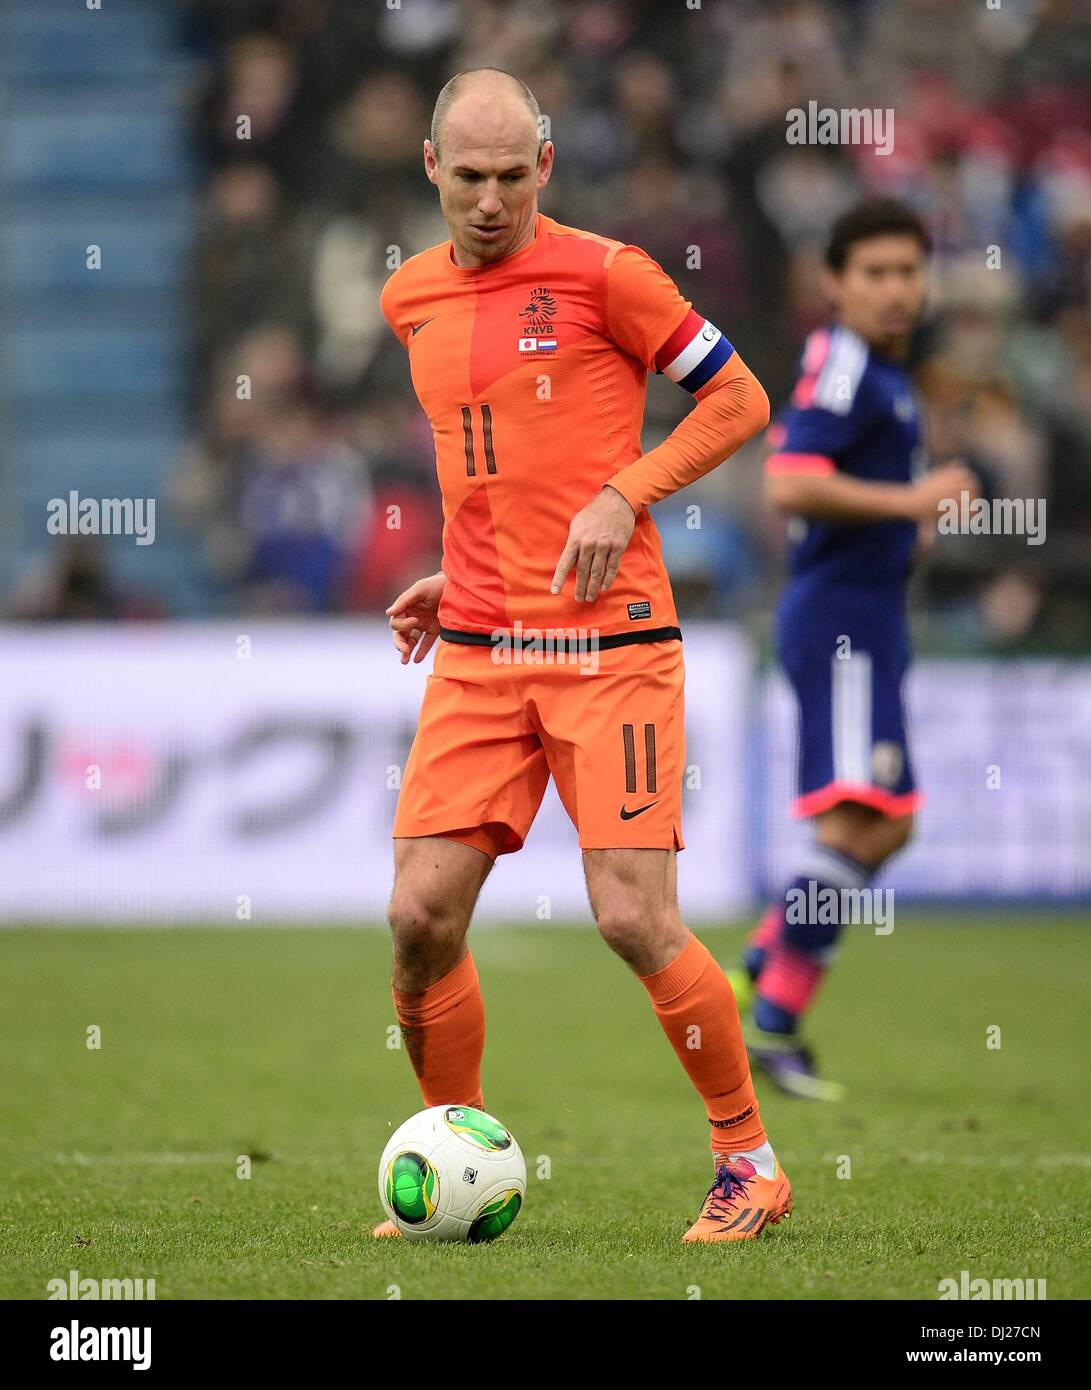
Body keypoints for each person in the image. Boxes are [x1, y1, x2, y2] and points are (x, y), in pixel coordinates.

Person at [376, 68, 788, 1242]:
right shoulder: (408, 294)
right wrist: (458, 574)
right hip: (476, 646)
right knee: (418, 918)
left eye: (514, 176)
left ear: (545, 168)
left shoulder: (610, 274)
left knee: (629, 916)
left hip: (610, 647)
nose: (492, 200)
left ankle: (747, 1160)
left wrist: (626, 491)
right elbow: (491, 462)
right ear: (431, 169)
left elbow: (738, 399)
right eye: (470, 177)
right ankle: (454, 1154)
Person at [727, 198, 977, 1100]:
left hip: (867, 620)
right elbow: (791, 480)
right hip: (837, 624)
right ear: (833, 284)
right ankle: (769, 1023)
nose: (895, 290)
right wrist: (908, 505)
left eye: (908, 271)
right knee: (853, 818)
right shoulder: (840, 362)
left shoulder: (886, 376)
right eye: (873, 273)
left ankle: (751, 981)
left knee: (890, 818)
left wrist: (905, 530)